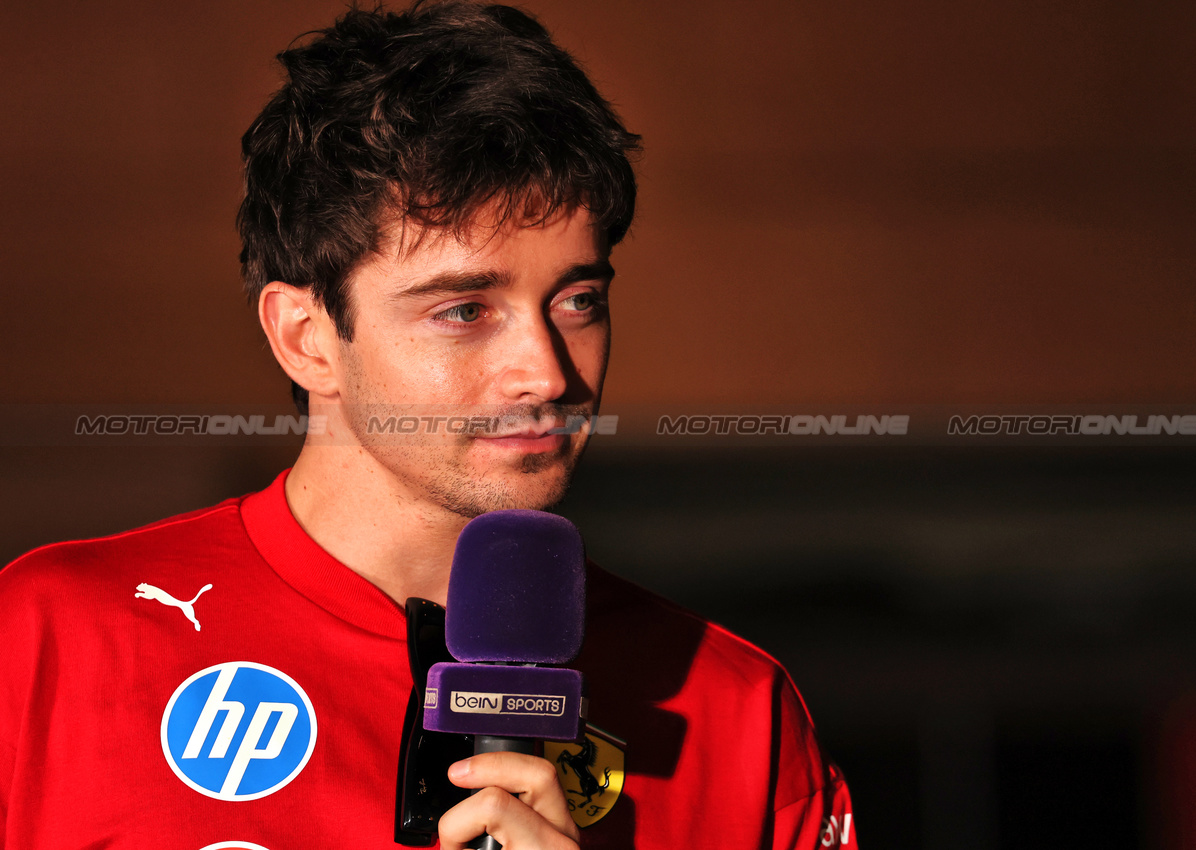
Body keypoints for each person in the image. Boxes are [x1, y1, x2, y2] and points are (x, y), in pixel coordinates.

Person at [0, 3, 856, 848]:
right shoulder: (49, 642)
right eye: (464, 309)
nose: (549, 372)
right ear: (307, 339)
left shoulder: (733, 708)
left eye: (578, 300)